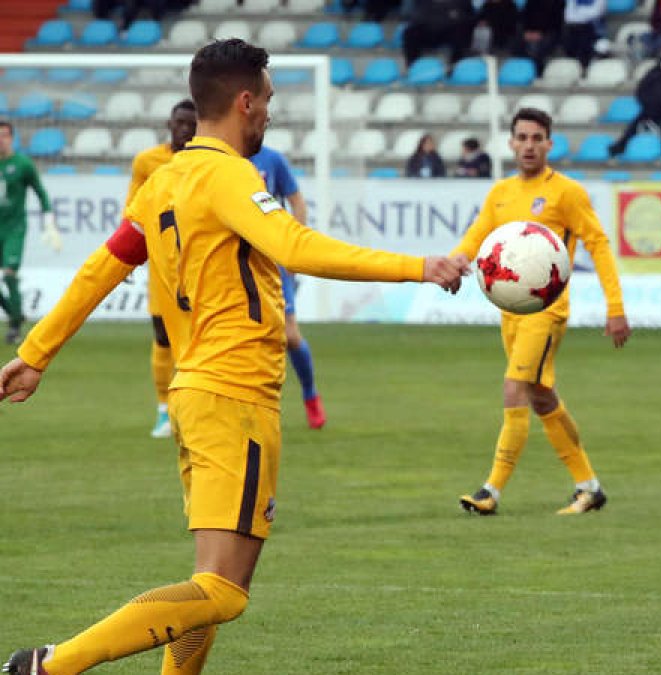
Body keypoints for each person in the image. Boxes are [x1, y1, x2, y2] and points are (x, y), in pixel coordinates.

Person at [0, 38, 468, 675]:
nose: (270, 113)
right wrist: (419, 266)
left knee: (203, 589)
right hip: (235, 394)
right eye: (268, 100)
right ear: (245, 102)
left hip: (196, 393)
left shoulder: (163, 181)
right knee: (223, 593)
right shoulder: (229, 176)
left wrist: (35, 353)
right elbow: (296, 246)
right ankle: (50, 665)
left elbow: (103, 266)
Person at [453, 107, 630, 517]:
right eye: (522, 137)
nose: (529, 145)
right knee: (541, 396)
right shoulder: (500, 194)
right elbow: (475, 239)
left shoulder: (566, 193)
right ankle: (589, 486)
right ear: (511, 142)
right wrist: (445, 266)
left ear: (549, 144)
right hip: (509, 311)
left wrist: (615, 307)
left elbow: (598, 244)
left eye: (537, 138)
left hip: (546, 312)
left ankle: (490, 490)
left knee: (514, 388)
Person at [126, 99, 198, 438]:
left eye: (190, 123)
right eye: (179, 122)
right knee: (162, 336)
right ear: (169, 124)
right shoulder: (147, 162)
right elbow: (133, 211)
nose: (184, 128)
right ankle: (162, 410)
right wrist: (125, 258)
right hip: (161, 265)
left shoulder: (208, 162)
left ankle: (189, 406)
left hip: (200, 263)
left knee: (197, 336)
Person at [249, 145, 325, 429]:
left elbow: (298, 202)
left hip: (273, 260)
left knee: (290, 335)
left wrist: (295, 248)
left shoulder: (271, 159)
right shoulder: (224, 158)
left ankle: (310, 395)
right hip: (238, 262)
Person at [0, 120, 59, 346]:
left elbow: (41, 193)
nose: (0, 139)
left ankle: (14, 327)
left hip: (14, 229)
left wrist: (48, 220)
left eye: (4, 135)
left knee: (8, 274)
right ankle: (16, 314)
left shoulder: (22, 164)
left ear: (11, 138)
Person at [608, 41, 661, 156]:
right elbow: (641, 90)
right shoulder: (655, 71)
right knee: (635, 123)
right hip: (652, 108)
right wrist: (650, 102)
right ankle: (620, 146)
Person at [402, 0, 476, 66]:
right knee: (410, 32)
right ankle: (413, 65)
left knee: (462, 31)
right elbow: (418, 17)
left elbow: (469, 16)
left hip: (451, 30)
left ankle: (455, 66)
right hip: (428, 30)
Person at [517, 0, 565, 76]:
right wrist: (526, 32)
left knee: (535, 47)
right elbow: (524, 17)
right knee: (519, 42)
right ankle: (520, 72)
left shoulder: (557, 3)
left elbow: (557, 23)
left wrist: (540, 33)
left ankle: (537, 73)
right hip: (530, 32)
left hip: (549, 33)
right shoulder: (531, 2)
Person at [561, 0, 607, 70]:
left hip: (593, 31)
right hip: (575, 29)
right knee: (569, 32)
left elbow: (596, 12)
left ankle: (585, 64)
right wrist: (583, 16)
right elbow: (568, 16)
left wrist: (578, 14)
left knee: (585, 31)